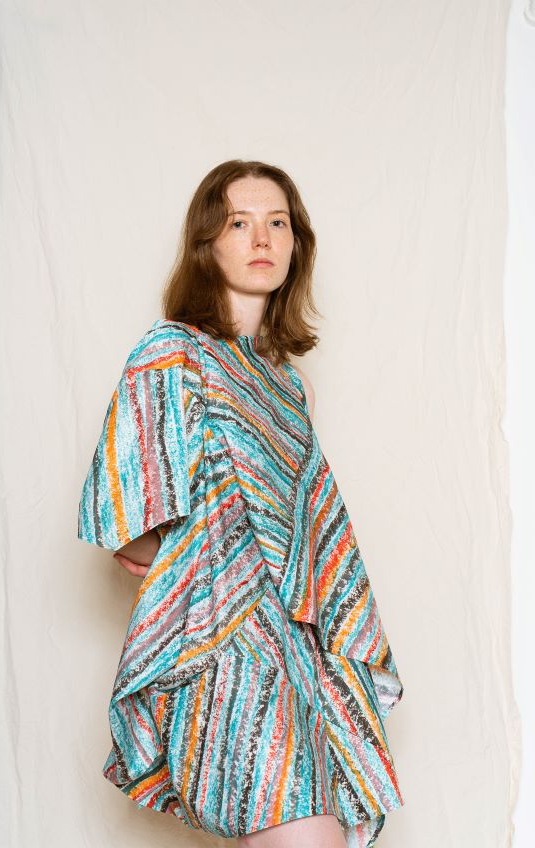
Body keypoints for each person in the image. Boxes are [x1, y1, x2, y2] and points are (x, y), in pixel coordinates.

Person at [77, 160, 403, 847]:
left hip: (292, 657)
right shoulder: (172, 353)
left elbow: (308, 535)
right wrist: (194, 567)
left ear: (296, 244)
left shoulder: (290, 386)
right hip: (221, 655)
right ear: (208, 243)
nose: (262, 238)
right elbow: (122, 513)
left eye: (278, 222)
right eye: (239, 222)